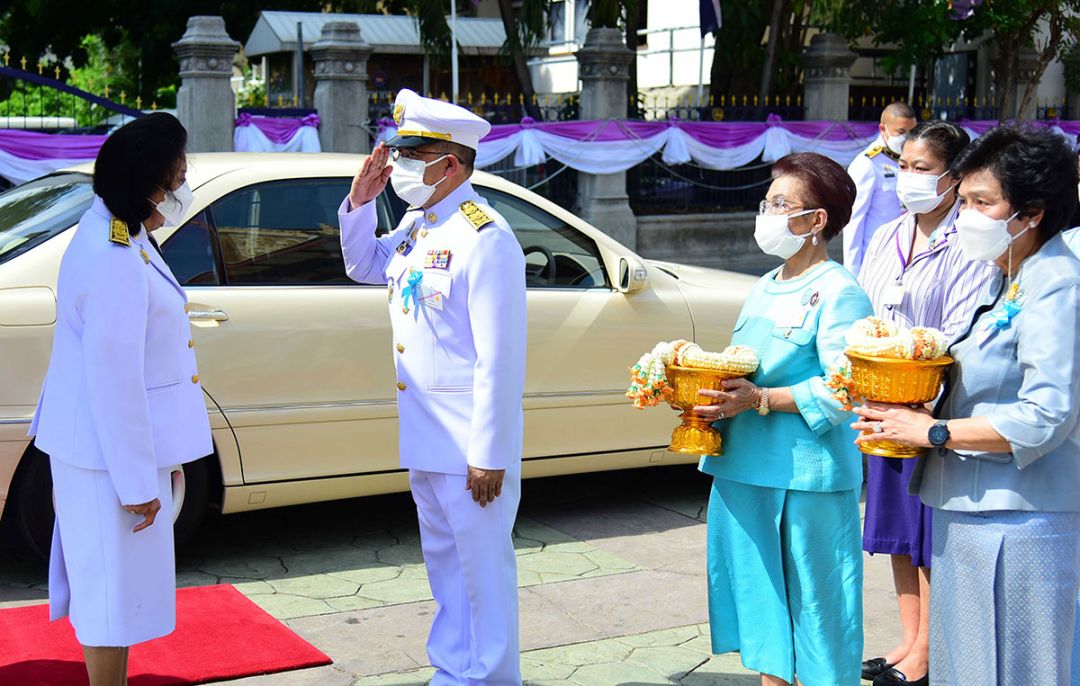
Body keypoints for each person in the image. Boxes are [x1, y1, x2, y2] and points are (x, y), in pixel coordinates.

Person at [852, 125, 1080, 686]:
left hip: (1021, 517)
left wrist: (933, 432)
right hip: (964, 511)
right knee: (969, 668)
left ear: (1030, 213)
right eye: (967, 200)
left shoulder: (1057, 283)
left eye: (983, 202)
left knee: (1020, 671)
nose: (967, 216)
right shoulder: (1005, 277)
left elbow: (1047, 413)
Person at [339, 89, 526, 685]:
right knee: (446, 568)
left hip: (468, 443)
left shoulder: (485, 236)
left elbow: (500, 358)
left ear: (450, 164)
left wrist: (489, 453)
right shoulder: (421, 225)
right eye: (398, 153)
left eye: (412, 154)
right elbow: (365, 266)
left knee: (482, 574)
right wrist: (360, 203)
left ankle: (491, 677)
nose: (398, 166)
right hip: (426, 435)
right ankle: (453, 670)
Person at [28, 113, 212, 685]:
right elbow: (115, 381)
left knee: (119, 592)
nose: (182, 187)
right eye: (175, 177)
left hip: (102, 452)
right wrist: (136, 484)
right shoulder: (113, 257)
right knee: (108, 600)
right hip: (105, 459)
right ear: (147, 183)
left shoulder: (119, 231)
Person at [694, 152, 873, 686]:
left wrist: (761, 399)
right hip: (743, 466)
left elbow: (847, 387)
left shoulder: (840, 290)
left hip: (805, 476)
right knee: (762, 606)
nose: (766, 214)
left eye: (780, 204)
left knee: (819, 608)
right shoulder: (766, 282)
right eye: (766, 202)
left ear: (816, 221)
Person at [855, 121, 995, 686]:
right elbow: (866, 308)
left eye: (922, 169)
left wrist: (917, 391)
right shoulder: (888, 233)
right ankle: (907, 642)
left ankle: (931, 654)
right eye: (902, 168)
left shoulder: (969, 241)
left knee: (927, 535)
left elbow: (958, 330)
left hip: (931, 410)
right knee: (894, 532)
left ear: (953, 177)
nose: (908, 179)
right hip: (879, 403)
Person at [843, 102, 917, 277]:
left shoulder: (912, 162)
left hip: (906, 256)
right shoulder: (867, 164)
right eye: (901, 132)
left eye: (911, 132)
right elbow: (854, 222)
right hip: (875, 259)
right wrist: (853, 274)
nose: (907, 138)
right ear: (883, 129)